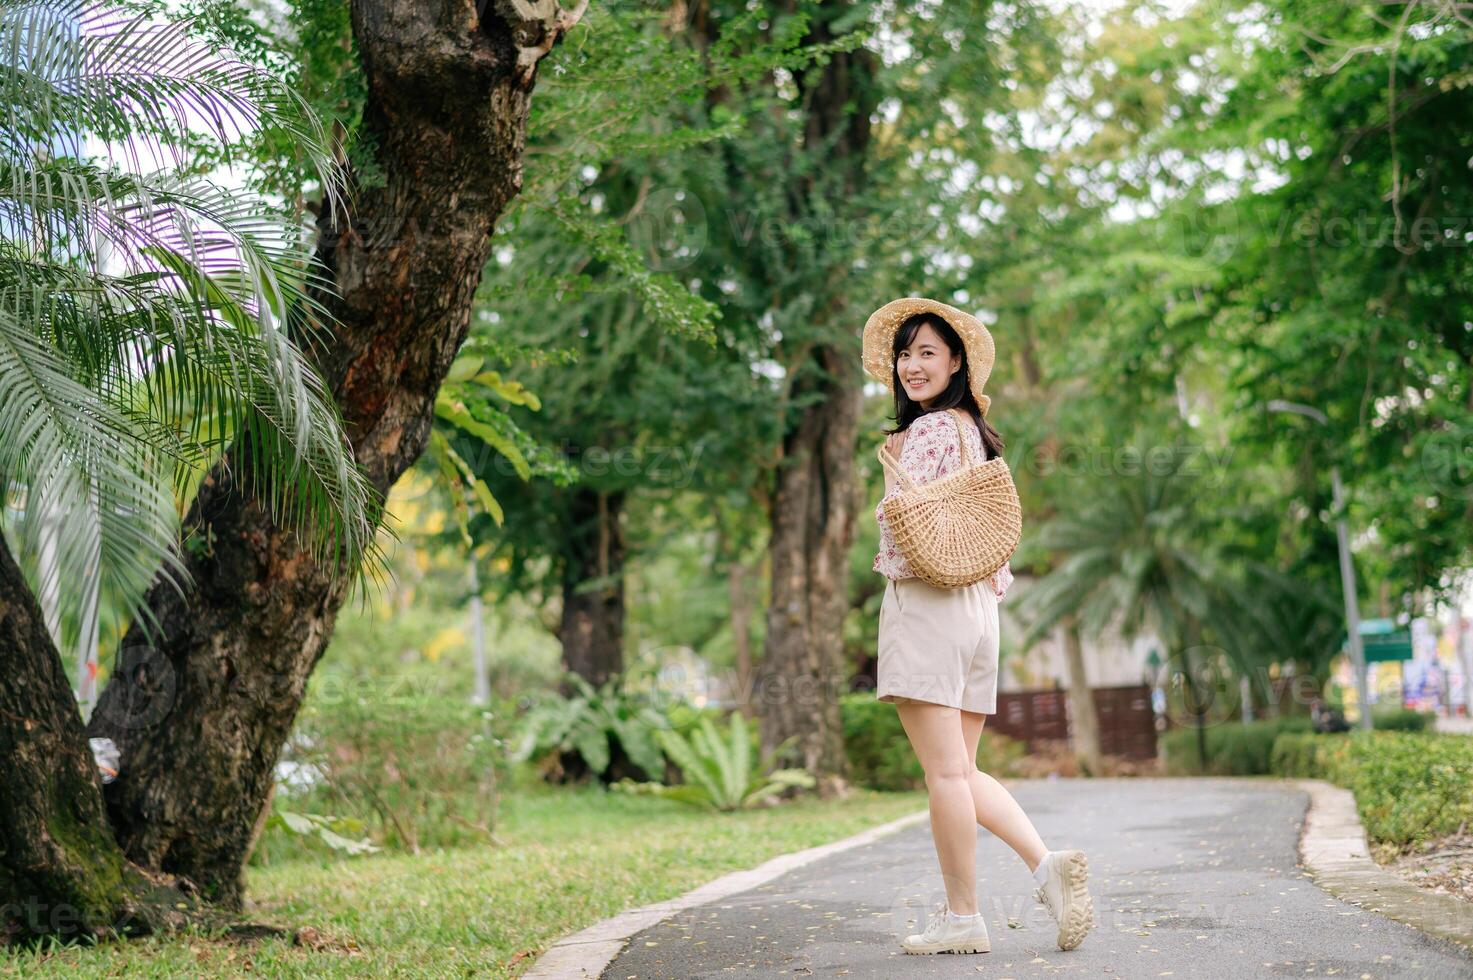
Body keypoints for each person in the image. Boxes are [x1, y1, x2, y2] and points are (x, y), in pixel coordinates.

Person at [861, 297, 1096, 956]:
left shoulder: (930, 431)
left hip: (927, 605)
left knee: (941, 777)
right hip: (978, 611)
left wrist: (894, 458)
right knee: (961, 769)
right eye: (904, 354)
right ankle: (1045, 867)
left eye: (926, 352)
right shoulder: (972, 430)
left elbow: (904, 529)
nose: (911, 365)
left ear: (956, 360)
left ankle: (962, 917)